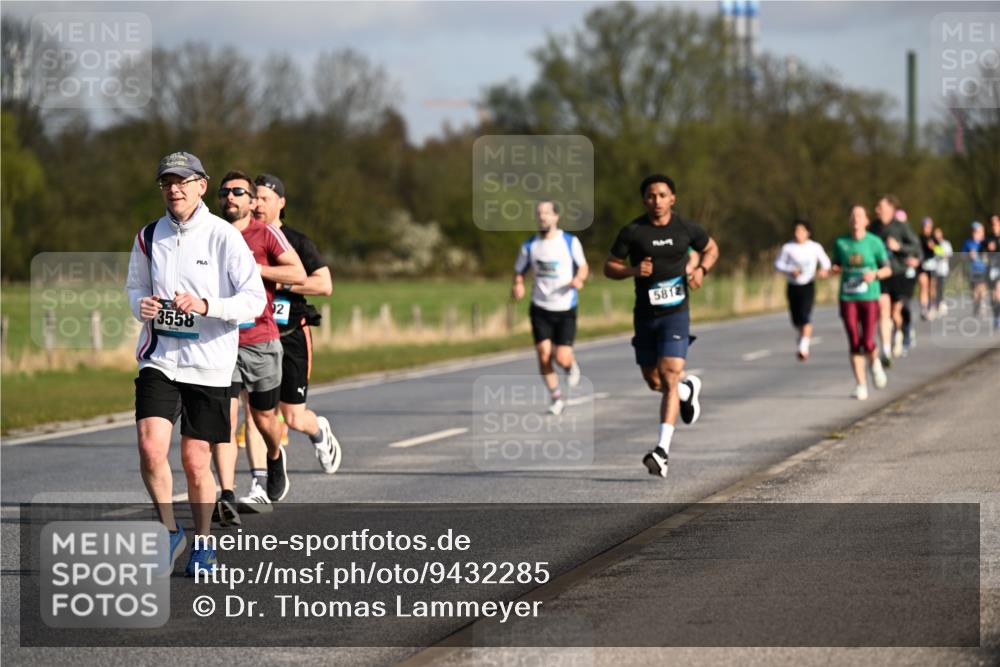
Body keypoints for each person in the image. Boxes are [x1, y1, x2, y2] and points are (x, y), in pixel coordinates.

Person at [126, 152, 266, 575]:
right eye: (167, 182)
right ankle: (170, 532)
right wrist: (142, 305)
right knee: (151, 448)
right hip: (160, 357)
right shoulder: (149, 236)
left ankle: (203, 543)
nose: (175, 189)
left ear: (201, 186)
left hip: (209, 364)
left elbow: (254, 299)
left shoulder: (223, 236)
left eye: (183, 181)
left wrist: (207, 305)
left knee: (195, 460)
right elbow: (133, 287)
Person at [210, 170, 312, 521]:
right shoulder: (209, 235)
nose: (230, 198)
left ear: (252, 201)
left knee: (264, 417)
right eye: (224, 192)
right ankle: (225, 493)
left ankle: (273, 454)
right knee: (224, 417)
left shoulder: (266, 233)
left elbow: (297, 274)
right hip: (221, 341)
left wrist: (256, 269)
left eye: (238, 192)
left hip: (261, 341)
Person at [603, 174, 719, 479]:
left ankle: (662, 451)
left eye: (662, 195)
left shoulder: (686, 229)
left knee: (668, 374)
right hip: (645, 316)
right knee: (654, 381)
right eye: (651, 196)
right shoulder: (633, 231)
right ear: (645, 200)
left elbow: (711, 248)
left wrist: (701, 270)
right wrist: (632, 270)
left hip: (676, 314)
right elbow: (608, 266)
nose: (657, 201)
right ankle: (686, 390)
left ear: (672, 198)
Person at [250, 173, 343, 479]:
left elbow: (324, 284)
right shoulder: (243, 239)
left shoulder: (298, 241)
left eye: (265, 198)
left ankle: (319, 431)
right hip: (255, 336)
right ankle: (261, 479)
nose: (258, 204)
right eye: (255, 198)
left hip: (290, 333)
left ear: (281, 203)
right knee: (255, 413)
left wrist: (282, 282)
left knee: (293, 416)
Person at [512, 200, 589, 415]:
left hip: (565, 307)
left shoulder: (569, 241)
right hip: (540, 307)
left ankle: (570, 364)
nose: (543, 217)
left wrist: (579, 279)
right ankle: (556, 396)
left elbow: (583, 266)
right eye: (539, 213)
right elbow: (519, 271)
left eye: (547, 213)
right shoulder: (529, 246)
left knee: (561, 356)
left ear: (556, 217)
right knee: (543, 354)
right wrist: (517, 284)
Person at [830, 205, 892, 400]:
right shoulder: (841, 243)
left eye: (859, 216)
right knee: (854, 342)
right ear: (850, 221)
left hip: (869, 297)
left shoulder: (874, 243)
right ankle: (860, 384)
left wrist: (874, 274)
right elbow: (836, 265)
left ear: (866, 221)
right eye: (853, 216)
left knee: (867, 341)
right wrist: (832, 269)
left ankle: (875, 364)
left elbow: (887, 269)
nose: (856, 219)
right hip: (848, 297)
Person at [870, 195, 921, 363]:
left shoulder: (902, 227)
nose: (877, 210)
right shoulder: (873, 228)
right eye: (877, 207)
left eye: (881, 207)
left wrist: (899, 247)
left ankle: (898, 333)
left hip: (899, 273)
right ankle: (885, 349)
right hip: (881, 273)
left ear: (891, 209)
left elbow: (915, 246)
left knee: (895, 311)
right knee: (883, 309)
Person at [773, 219, 831, 361]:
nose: (798, 234)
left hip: (808, 285)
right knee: (796, 319)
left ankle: (803, 347)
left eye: (801, 231)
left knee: (806, 316)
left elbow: (826, 263)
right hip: (793, 286)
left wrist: (823, 270)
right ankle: (802, 337)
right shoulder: (788, 248)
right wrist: (790, 270)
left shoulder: (814, 247)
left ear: (808, 233)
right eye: (796, 231)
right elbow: (778, 263)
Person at [963, 221, 990, 318]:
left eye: (977, 231)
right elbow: (962, 255)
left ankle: (982, 303)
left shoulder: (985, 242)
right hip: (971, 269)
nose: (975, 233)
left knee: (982, 287)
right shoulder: (968, 242)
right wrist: (968, 255)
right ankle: (976, 304)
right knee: (974, 290)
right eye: (974, 231)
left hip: (983, 269)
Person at [917, 217, 938, 320]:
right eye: (925, 227)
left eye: (929, 227)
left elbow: (942, 252)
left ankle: (932, 306)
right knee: (923, 285)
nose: (927, 229)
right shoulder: (919, 238)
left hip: (932, 266)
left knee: (932, 288)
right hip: (922, 266)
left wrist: (934, 247)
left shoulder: (934, 239)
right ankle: (923, 308)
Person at [931, 226, 953, 317]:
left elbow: (947, 255)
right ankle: (935, 305)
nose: (937, 235)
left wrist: (936, 249)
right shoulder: (931, 243)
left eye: (938, 233)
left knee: (941, 287)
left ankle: (941, 304)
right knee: (933, 288)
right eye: (935, 233)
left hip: (943, 270)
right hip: (933, 269)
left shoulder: (945, 243)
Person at [985, 215, 1000, 329]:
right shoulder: (988, 239)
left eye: (995, 223)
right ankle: (996, 316)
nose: (994, 226)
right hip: (992, 269)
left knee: (998, 291)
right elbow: (981, 252)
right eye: (992, 224)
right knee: (993, 296)